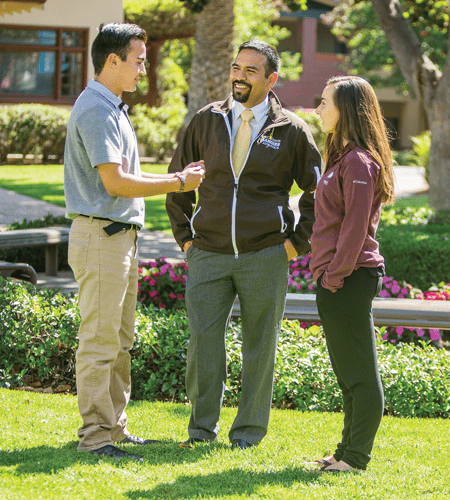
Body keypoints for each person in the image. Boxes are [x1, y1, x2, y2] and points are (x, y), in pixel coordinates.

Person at [166, 40, 321, 449]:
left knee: (259, 348)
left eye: (251, 71)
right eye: (236, 68)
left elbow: (317, 192)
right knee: (203, 345)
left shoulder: (291, 130)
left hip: (265, 256)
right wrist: (186, 240)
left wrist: (294, 246)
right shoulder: (207, 120)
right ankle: (201, 431)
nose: (239, 76)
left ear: (271, 79)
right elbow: (178, 180)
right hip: (208, 254)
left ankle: (248, 434)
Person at [64, 23, 205, 462]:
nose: (144, 69)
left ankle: (114, 429)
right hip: (101, 236)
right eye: (139, 61)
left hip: (118, 237)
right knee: (100, 342)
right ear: (113, 61)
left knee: (120, 340)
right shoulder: (96, 110)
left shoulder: (113, 107)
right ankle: (95, 437)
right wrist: (178, 182)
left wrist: (177, 178)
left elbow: (128, 176)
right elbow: (116, 183)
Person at [310, 75, 395, 472]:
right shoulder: (342, 157)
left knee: (360, 373)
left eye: (325, 102)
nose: (318, 109)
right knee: (348, 374)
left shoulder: (359, 162)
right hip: (338, 277)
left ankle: (356, 458)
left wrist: (333, 275)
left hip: (349, 277)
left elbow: (355, 227)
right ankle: (344, 453)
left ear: (346, 110)